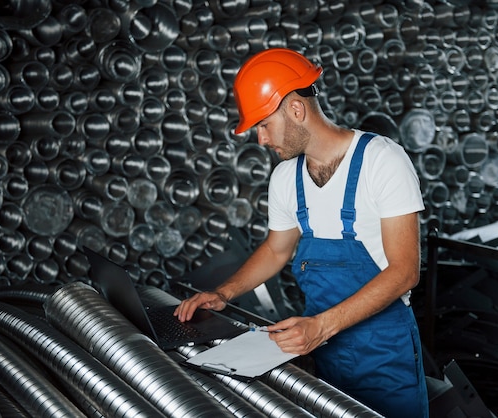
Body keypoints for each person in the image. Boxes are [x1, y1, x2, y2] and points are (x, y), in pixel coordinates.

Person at [175, 48, 429, 418]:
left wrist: (322, 327)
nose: (261, 140)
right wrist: (222, 293)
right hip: (323, 351)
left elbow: (405, 271)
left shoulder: (382, 161)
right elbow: (277, 250)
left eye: (263, 125)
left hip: (383, 353)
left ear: (296, 110)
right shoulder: (285, 179)